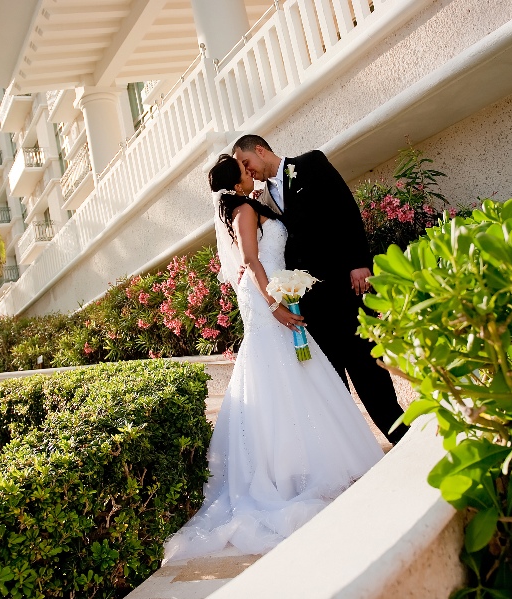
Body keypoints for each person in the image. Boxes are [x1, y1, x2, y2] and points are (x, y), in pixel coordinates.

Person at [161, 154, 384, 563]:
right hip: (266, 299)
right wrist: (274, 303)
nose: (252, 174)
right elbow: (250, 260)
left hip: (276, 290)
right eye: (245, 171)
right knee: (278, 372)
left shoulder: (250, 204)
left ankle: (303, 462)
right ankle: (287, 472)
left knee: (295, 372)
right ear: (237, 178)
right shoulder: (244, 209)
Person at [233, 134, 407, 445]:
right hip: (309, 304)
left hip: (343, 288)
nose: (248, 172)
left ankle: (403, 437)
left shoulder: (311, 163)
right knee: (331, 382)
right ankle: (354, 451)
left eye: (247, 163)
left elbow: (346, 211)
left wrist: (358, 262)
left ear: (260, 151)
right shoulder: (261, 201)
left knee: (367, 370)